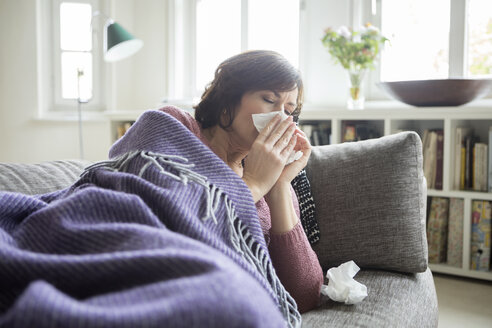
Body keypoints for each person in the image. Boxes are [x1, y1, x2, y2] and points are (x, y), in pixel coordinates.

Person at [159, 50, 323, 313]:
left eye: (289, 111)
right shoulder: (176, 125)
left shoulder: (274, 180)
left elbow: (305, 295)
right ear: (229, 100)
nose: (281, 117)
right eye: (270, 99)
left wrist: (278, 186)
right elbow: (173, 227)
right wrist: (254, 184)